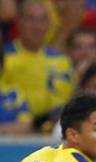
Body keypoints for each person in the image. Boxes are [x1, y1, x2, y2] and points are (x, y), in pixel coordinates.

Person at [1, 0, 73, 130]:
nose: (37, 26)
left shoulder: (62, 60)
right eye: (31, 19)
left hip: (55, 135)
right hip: (14, 131)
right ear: (19, 22)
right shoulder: (5, 56)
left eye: (42, 20)